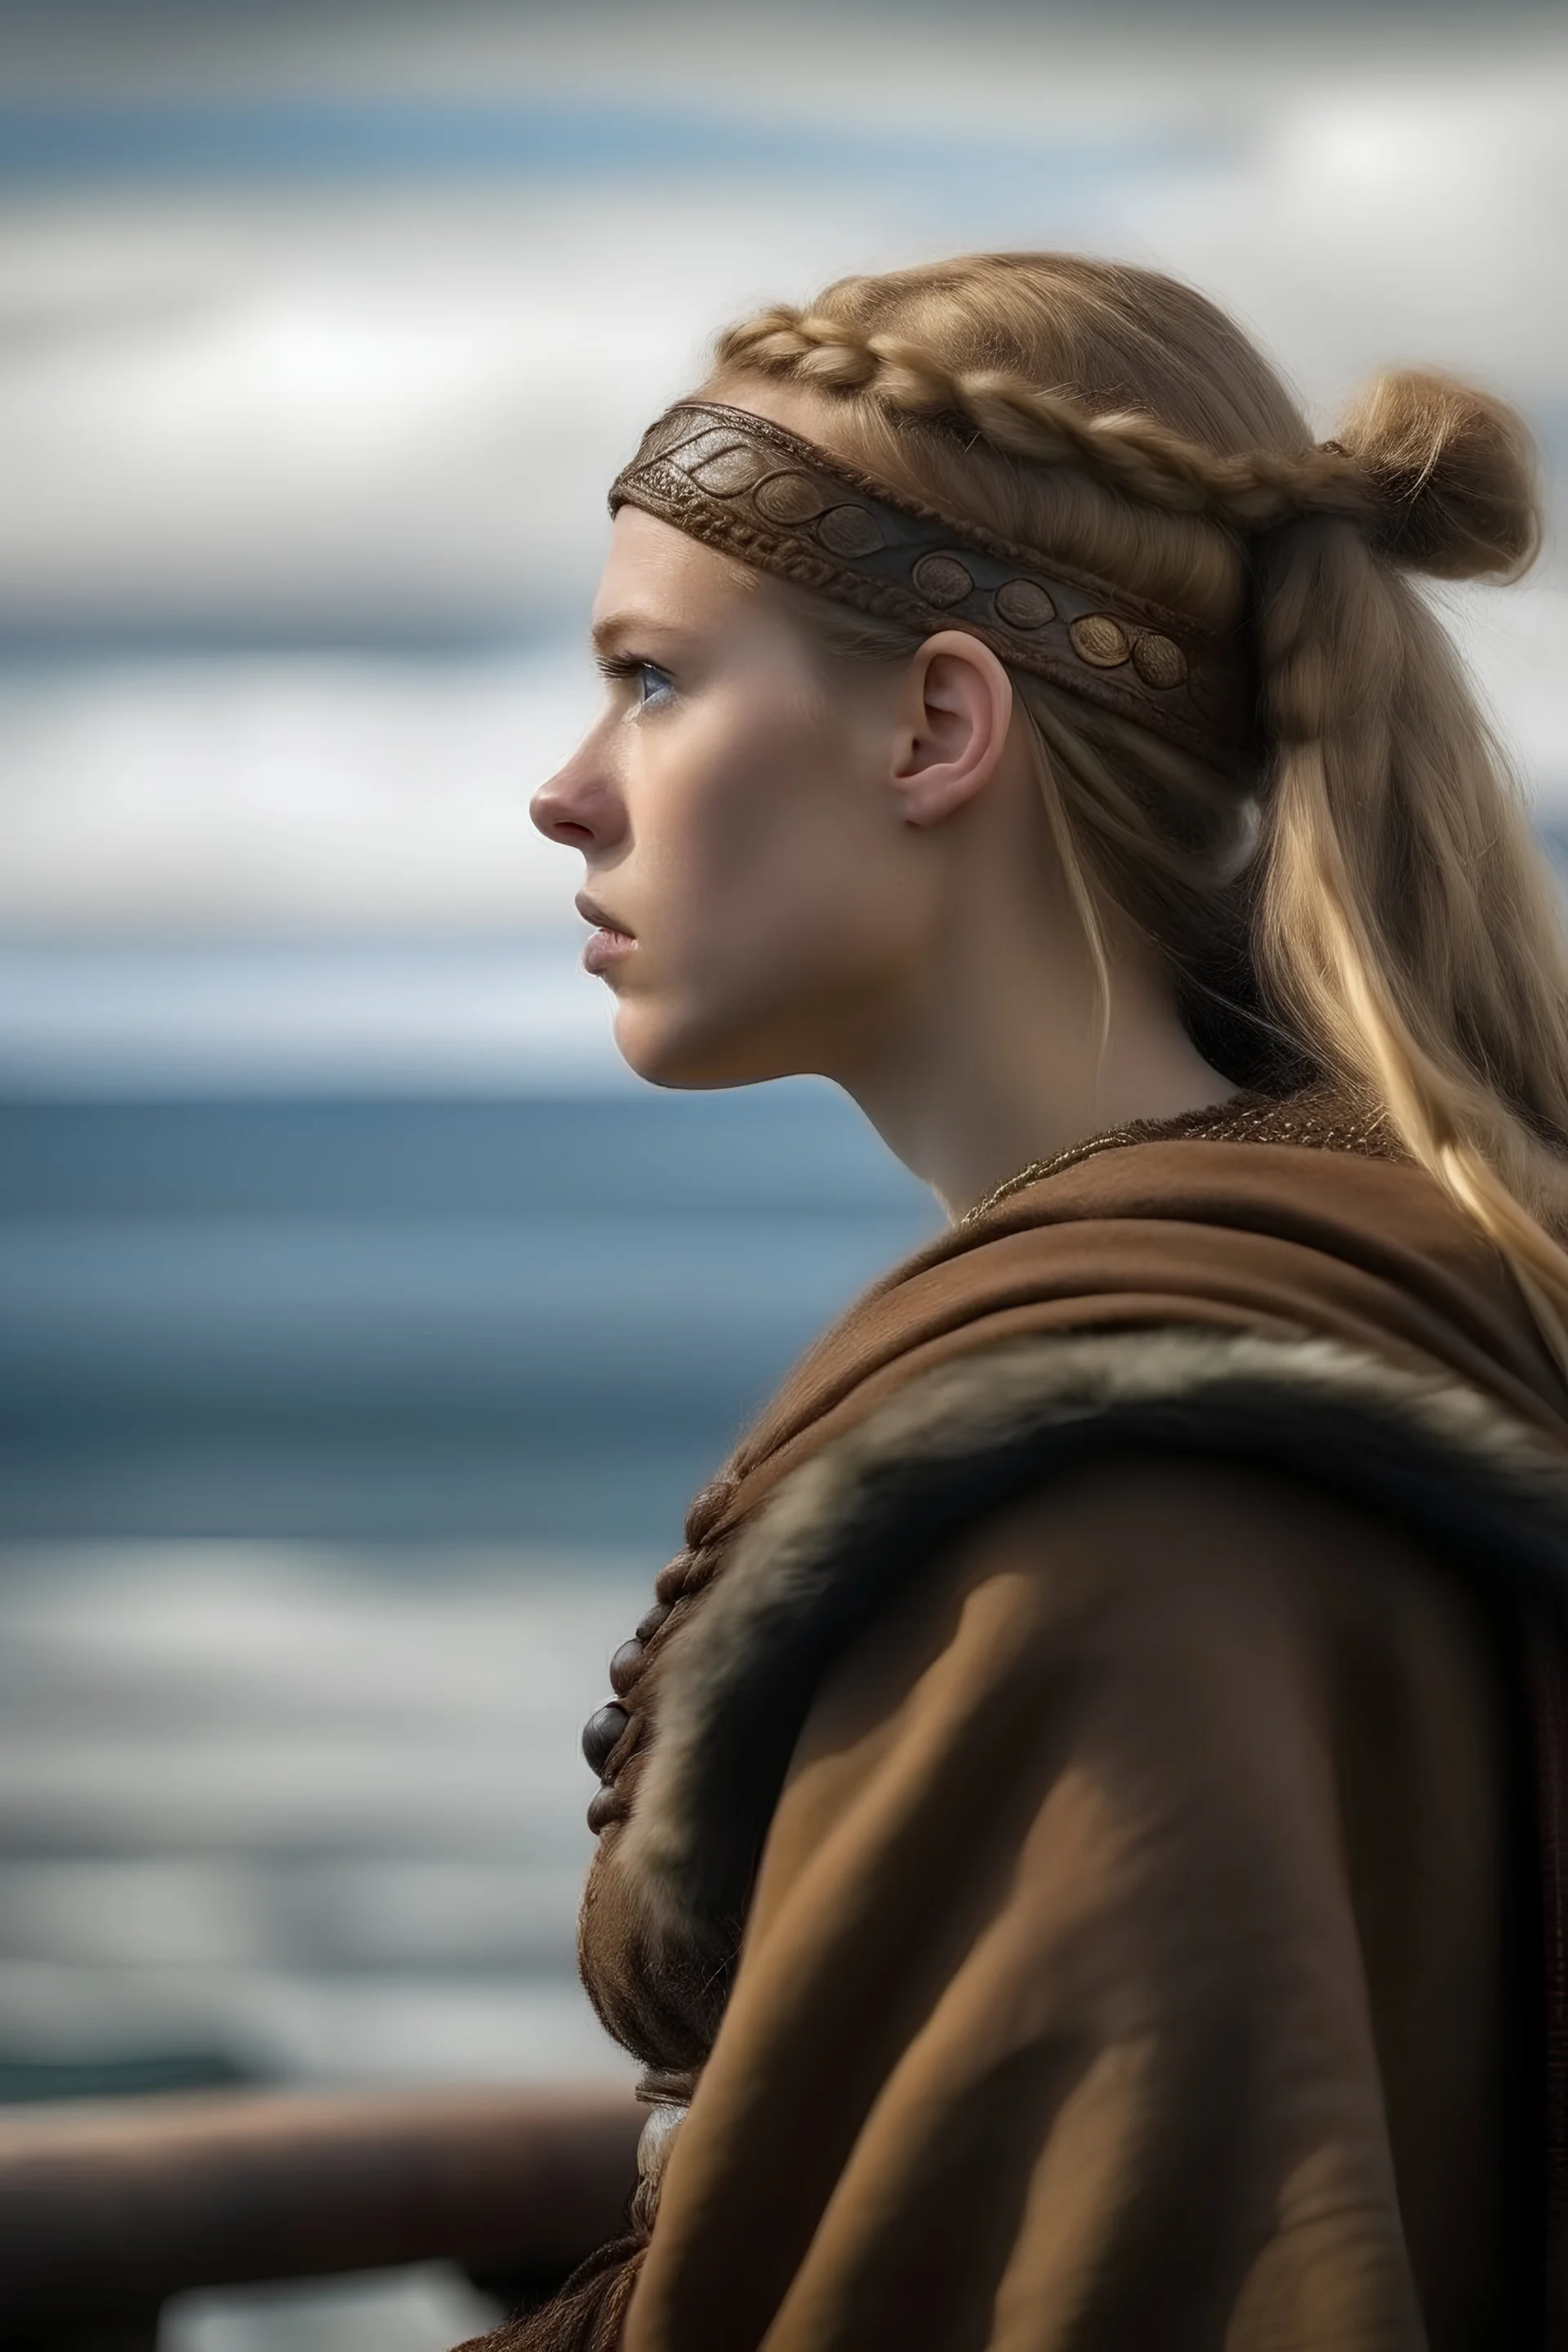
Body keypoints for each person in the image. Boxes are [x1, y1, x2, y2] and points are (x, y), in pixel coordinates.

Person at [480, 252, 1568, 2349]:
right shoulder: (1355, 1303)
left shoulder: (1100, 1507)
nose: (570, 789)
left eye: (653, 680)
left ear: (940, 725)